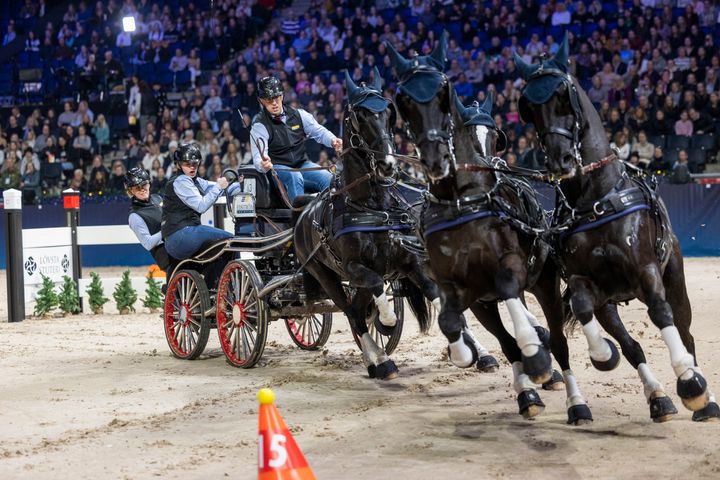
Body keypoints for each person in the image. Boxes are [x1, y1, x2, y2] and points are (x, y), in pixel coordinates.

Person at [250, 75, 342, 203]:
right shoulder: (259, 125)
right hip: (278, 169)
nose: (274, 103)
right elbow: (258, 156)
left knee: (327, 177)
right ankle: (299, 219)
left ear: (282, 96)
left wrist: (333, 140)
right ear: (261, 101)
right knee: (294, 176)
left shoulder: (299, 115)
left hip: (302, 164)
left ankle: (330, 217)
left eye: (276, 97)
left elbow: (319, 131)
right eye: (269, 100)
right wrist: (263, 164)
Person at [161, 142, 239, 262]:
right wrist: (219, 186)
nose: (192, 167)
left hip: (183, 235)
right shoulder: (181, 181)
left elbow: (220, 188)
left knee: (219, 252)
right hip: (180, 235)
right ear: (178, 165)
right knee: (232, 240)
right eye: (187, 164)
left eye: (195, 164)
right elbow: (201, 206)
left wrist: (240, 186)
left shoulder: (196, 181)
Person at [125, 167, 173, 272]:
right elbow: (147, 243)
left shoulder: (157, 198)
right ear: (131, 191)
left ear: (149, 184)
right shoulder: (135, 216)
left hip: (176, 241)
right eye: (137, 188)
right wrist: (167, 229)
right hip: (164, 253)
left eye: (144, 184)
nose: (142, 189)